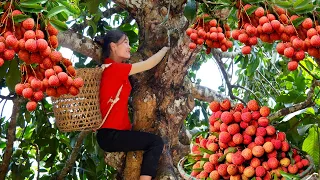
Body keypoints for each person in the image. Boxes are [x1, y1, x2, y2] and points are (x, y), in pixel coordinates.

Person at [95, 29, 169, 180]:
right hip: (111, 135)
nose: (129, 46)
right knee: (156, 143)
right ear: (113, 47)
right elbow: (149, 63)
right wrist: (167, 49)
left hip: (113, 134)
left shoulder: (111, 68)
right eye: (126, 42)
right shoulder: (114, 69)